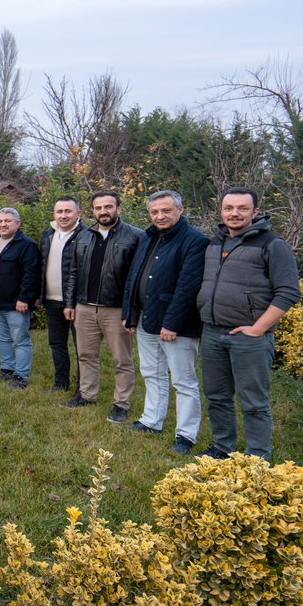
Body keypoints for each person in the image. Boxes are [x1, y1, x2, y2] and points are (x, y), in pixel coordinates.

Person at [196, 187, 301, 461]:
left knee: (253, 401)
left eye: (242, 208)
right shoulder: (215, 242)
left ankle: (257, 456)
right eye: (229, 208)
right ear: (221, 211)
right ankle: (222, 447)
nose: (234, 213)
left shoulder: (272, 245)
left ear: (255, 212)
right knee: (217, 396)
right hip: (212, 333)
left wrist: (258, 329)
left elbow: (288, 292)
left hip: (248, 338)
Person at [121, 190, 208, 449]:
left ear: (180, 210)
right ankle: (151, 420)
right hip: (147, 318)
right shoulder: (148, 237)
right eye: (155, 211)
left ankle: (186, 435)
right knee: (152, 373)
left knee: (183, 380)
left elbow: (188, 287)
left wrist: (172, 324)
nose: (160, 216)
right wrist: (130, 313)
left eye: (166, 210)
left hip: (176, 326)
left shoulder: (195, 240)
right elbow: (134, 277)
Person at [62, 192, 143, 415]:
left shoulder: (136, 237)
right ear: (93, 211)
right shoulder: (84, 236)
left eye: (108, 206)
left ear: (119, 208)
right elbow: (73, 272)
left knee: (121, 360)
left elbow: (137, 278)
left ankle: (121, 404)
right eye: (98, 208)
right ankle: (87, 395)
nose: (103, 211)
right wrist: (70, 303)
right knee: (86, 355)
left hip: (115, 309)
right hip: (85, 308)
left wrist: (131, 310)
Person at [0, 208, 41, 389]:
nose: (3, 224)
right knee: (4, 339)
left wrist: (24, 298)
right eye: (0, 221)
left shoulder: (26, 244)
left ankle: (21, 375)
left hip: (16, 303)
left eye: (8, 221)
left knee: (20, 340)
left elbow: (31, 274)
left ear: (18, 223)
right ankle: (7, 368)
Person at [38, 197, 82, 392]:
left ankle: (84, 386)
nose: (63, 215)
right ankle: (61, 382)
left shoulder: (86, 235)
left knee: (82, 347)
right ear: (54, 214)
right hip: (51, 300)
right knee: (57, 344)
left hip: (76, 302)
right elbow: (42, 266)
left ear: (78, 213)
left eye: (68, 211)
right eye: (59, 211)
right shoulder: (47, 234)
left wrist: (72, 301)